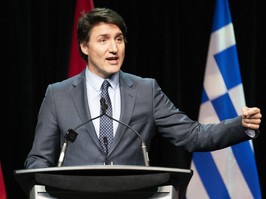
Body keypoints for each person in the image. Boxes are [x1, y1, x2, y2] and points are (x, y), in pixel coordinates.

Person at [24, 8, 262, 169]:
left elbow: (193, 135)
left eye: (118, 39)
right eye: (103, 39)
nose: (114, 48)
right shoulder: (58, 95)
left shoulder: (145, 91)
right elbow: (38, 159)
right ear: (85, 46)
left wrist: (240, 126)